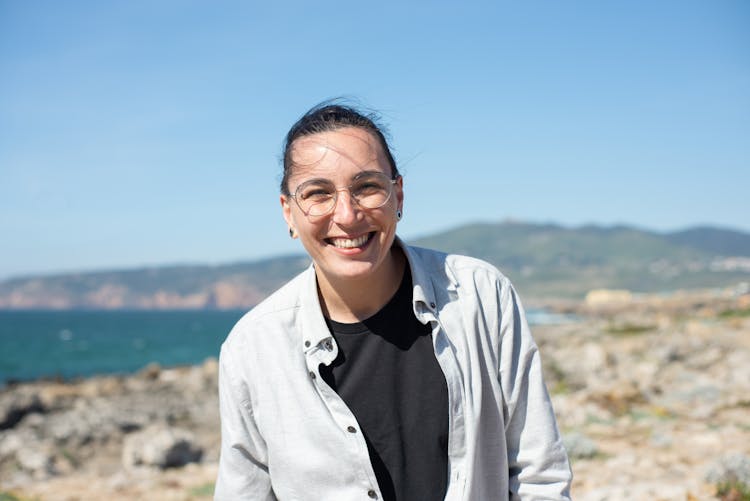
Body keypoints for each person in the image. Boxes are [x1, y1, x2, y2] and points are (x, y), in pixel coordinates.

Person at [215, 101, 572, 500]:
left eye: (367, 187)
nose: (347, 215)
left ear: (398, 195)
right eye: (318, 193)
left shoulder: (480, 296)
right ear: (289, 213)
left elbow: (539, 476)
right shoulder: (253, 347)